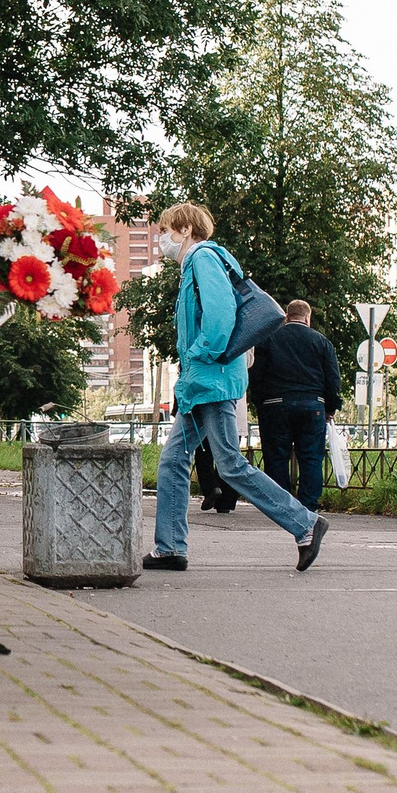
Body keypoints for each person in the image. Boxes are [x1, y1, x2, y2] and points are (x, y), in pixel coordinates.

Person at [141, 203, 328, 574]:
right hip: (200, 384)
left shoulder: (203, 258)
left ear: (186, 231)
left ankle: (305, 523)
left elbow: (221, 315)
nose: (163, 238)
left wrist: (200, 355)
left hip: (212, 381)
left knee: (230, 465)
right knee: (173, 461)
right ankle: (170, 548)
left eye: (167, 230)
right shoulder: (194, 265)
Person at [247, 299, 341, 513]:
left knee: (276, 456)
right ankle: (308, 506)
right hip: (312, 405)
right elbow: (333, 379)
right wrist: (331, 407)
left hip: (275, 405)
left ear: (287, 317)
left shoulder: (268, 340)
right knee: (311, 457)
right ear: (308, 318)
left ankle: (281, 506)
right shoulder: (322, 342)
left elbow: (256, 375)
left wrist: (260, 403)